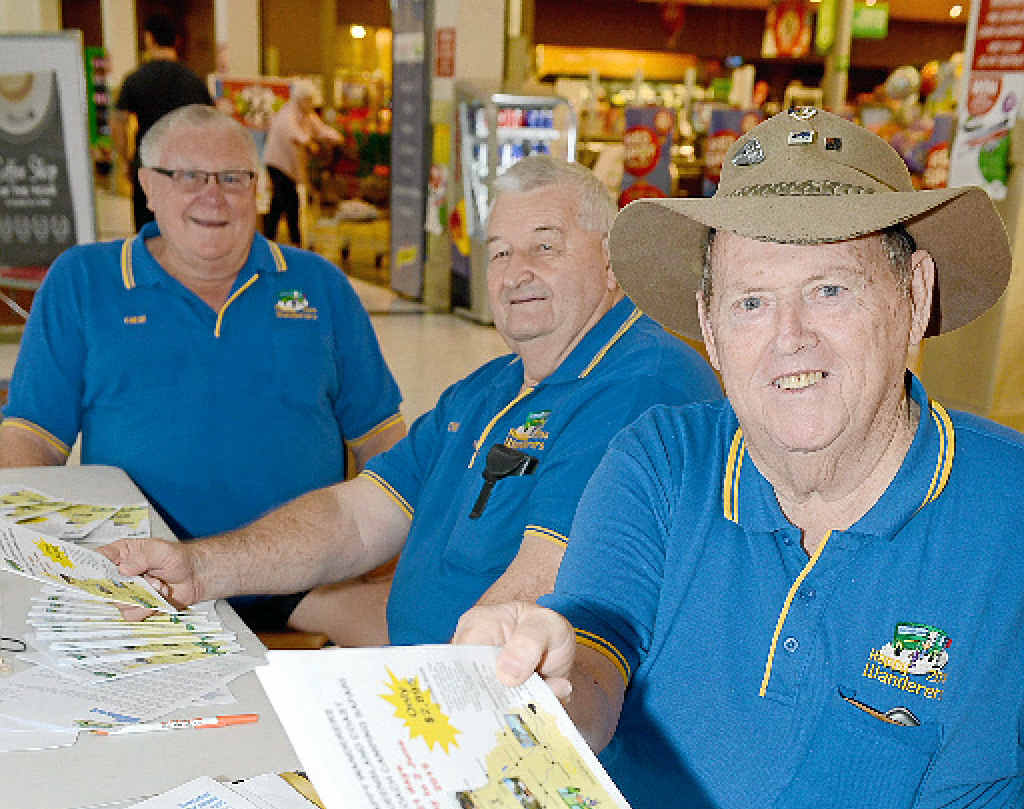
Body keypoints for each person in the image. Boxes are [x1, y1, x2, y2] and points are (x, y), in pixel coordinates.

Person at [454, 108, 1021, 809]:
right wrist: (545, 679)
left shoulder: (1007, 515)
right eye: (753, 302)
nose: (788, 341)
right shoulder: (661, 462)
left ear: (913, 293)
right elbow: (594, 661)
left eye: (831, 288)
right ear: (712, 326)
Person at [101, 155, 722, 646]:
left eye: (546, 246)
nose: (516, 271)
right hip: (420, 675)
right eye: (500, 251)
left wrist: (410, 711)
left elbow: (539, 588)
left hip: (507, 725)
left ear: (611, 263)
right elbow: (355, 518)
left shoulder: (641, 386)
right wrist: (202, 570)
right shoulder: (489, 389)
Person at [0, 104, 404, 633]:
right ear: (148, 185)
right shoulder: (84, 281)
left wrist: (395, 566)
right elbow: (31, 446)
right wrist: (29, 561)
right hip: (145, 578)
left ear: (257, 188)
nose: (212, 196)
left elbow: (387, 445)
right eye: (188, 175)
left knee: (444, 652)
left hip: (303, 579)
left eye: (233, 178)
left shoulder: (319, 286)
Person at [111, 13, 213, 232]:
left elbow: (118, 121)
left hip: (148, 164)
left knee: (148, 234)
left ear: (149, 39)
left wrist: (125, 159)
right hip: (186, 167)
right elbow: (210, 123)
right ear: (176, 41)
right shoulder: (193, 81)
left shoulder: (135, 78)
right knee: (185, 229)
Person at [262, 81, 342, 247]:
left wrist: (336, 136)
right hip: (278, 163)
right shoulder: (287, 114)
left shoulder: (308, 115)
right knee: (289, 201)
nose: (311, 104)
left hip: (290, 166)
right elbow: (295, 134)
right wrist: (310, 143)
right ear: (300, 99)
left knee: (279, 203)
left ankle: (270, 238)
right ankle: (294, 240)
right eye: (309, 100)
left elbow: (321, 129)